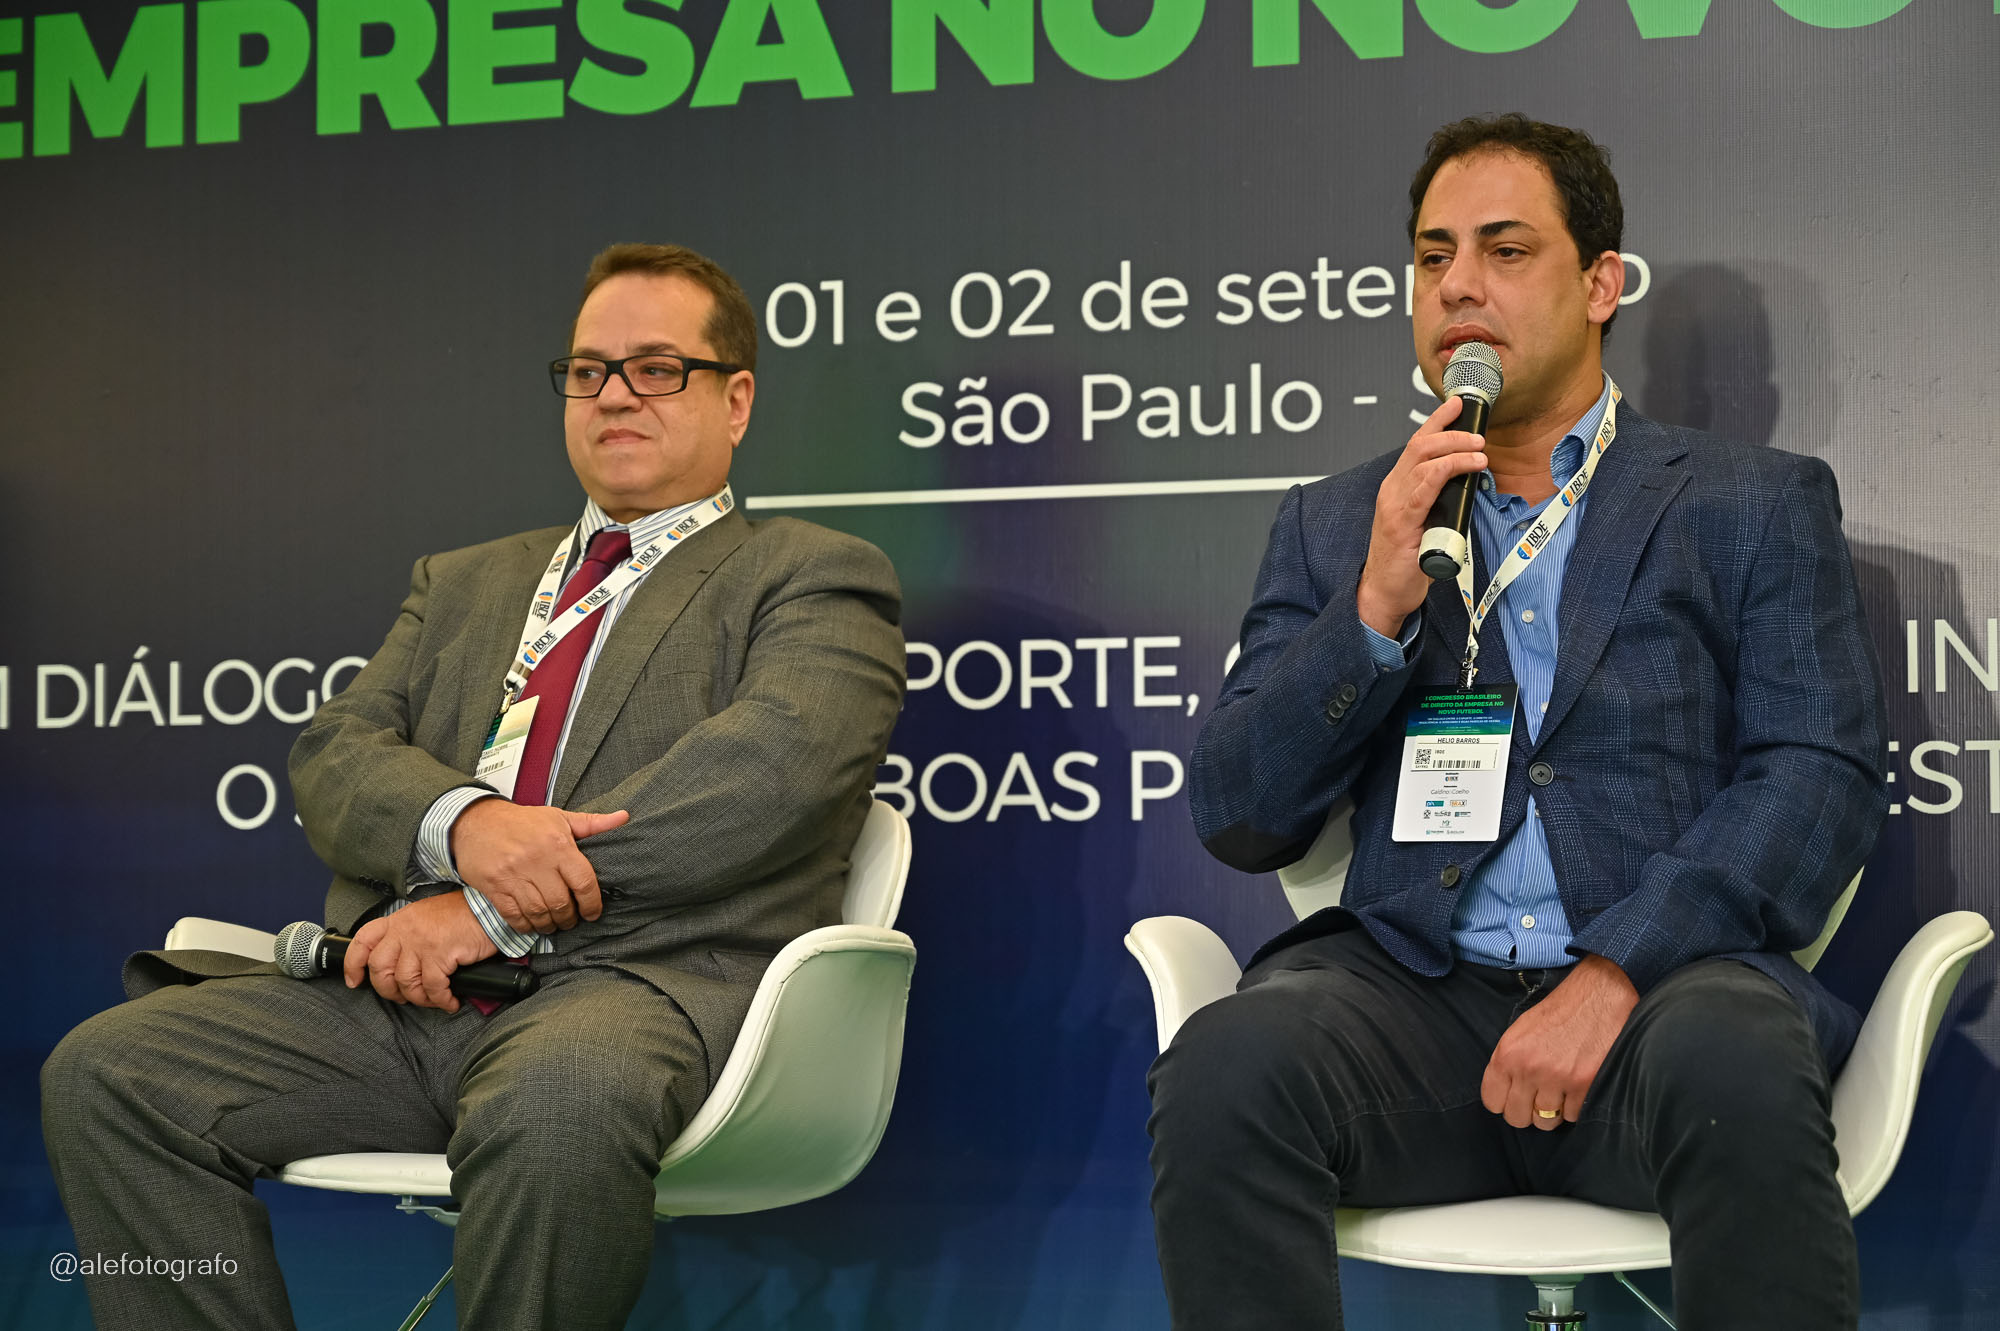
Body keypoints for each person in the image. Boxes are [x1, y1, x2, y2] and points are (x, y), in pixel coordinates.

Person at [41, 243, 906, 1330]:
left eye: (656, 368)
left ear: (734, 400)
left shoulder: (813, 573)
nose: (614, 395)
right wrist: (465, 827)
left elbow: (765, 780)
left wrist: (486, 908)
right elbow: (336, 751)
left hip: (629, 989)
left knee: (557, 1098)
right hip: (403, 1002)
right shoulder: (462, 580)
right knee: (110, 1072)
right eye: (588, 371)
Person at [1148, 115, 1885, 1329]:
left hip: (1660, 997)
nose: (1457, 287)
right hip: (1410, 1004)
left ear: (1598, 284)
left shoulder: (1749, 502)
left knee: (1736, 1062)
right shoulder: (1337, 520)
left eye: (1503, 250)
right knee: (1226, 1064)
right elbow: (1237, 812)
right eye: (1431, 256)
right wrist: (1373, 605)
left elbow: (1816, 774)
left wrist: (1614, 970)